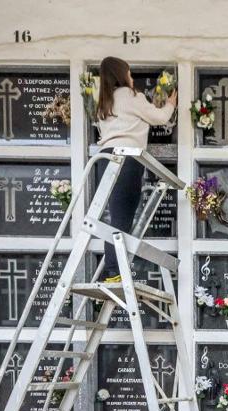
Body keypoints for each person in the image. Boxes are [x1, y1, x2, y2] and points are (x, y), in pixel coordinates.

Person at [93, 56, 177, 280]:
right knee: (123, 217)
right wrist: (171, 103)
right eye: (129, 73)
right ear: (122, 74)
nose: (131, 78)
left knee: (114, 215)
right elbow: (158, 118)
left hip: (105, 158)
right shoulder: (131, 96)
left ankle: (113, 269)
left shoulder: (104, 101)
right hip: (127, 158)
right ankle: (114, 271)